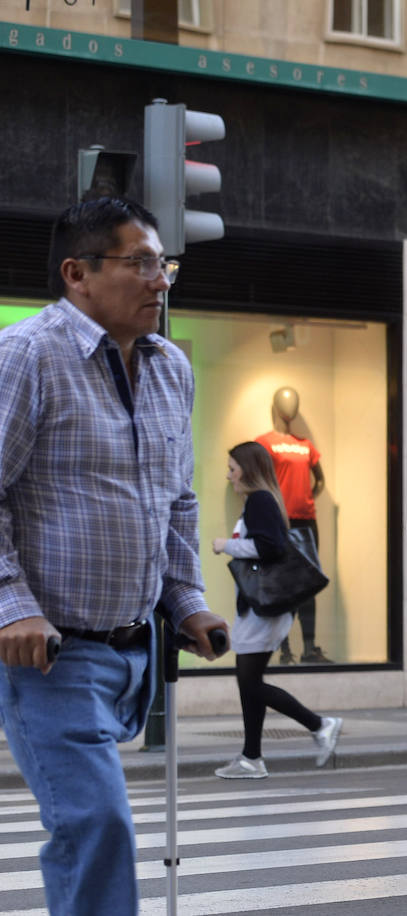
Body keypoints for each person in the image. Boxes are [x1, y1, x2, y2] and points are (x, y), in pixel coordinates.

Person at [0, 197, 229, 916]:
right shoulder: (27, 355)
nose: (160, 280)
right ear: (78, 273)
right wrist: (13, 606)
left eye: (163, 263)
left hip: (134, 651)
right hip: (51, 653)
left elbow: (178, 501)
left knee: (94, 826)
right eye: (141, 264)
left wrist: (187, 600)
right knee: (96, 825)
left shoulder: (169, 368)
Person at [211, 441, 342, 779]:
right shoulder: (260, 500)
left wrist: (226, 545)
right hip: (261, 607)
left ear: (248, 470)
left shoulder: (259, 500)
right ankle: (251, 757)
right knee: (249, 681)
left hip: (265, 608)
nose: (229, 476)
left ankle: (320, 724)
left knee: (249, 682)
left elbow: (270, 546)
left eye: (233, 469)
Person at [257, 386, 330, 664]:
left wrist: (309, 496)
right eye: (286, 402)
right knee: (283, 585)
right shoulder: (264, 443)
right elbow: (257, 480)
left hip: (306, 521)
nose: (290, 407)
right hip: (280, 521)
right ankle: (283, 649)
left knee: (307, 583)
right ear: (275, 406)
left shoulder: (305, 445)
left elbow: (319, 480)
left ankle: (309, 648)